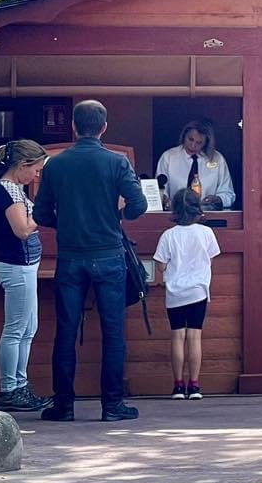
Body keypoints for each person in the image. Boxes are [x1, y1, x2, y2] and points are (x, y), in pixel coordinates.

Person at [33, 100, 147, 422]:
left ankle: (64, 405)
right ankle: (112, 406)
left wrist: (67, 224)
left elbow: (41, 213)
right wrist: (116, 216)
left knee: (66, 331)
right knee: (113, 333)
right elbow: (138, 206)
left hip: (70, 257)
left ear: (73, 126)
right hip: (109, 254)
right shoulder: (117, 162)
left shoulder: (55, 165)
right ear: (104, 128)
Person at [0, 139, 53, 412]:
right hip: (16, 265)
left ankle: (19, 385)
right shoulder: (8, 191)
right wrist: (41, 211)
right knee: (16, 330)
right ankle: (9, 389)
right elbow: (23, 230)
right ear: (22, 165)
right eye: (35, 170)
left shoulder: (12, 189)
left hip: (23, 266)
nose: (36, 176)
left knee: (27, 329)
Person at [154, 189, 221, 400]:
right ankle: (194, 385)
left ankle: (177, 386)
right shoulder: (206, 233)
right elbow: (211, 257)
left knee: (177, 335)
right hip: (198, 290)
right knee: (194, 335)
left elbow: (161, 267)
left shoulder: (168, 236)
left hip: (175, 292)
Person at [156, 119, 235, 210]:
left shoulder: (217, 159)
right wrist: (164, 200)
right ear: (184, 135)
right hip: (177, 214)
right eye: (190, 139)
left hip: (207, 215)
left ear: (206, 143)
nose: (193, 145)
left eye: (199, 143)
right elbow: (160, 190)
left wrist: (218, 199)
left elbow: (228, 194)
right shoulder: (168, 157)